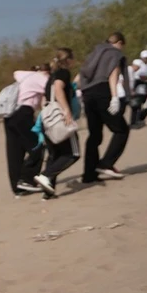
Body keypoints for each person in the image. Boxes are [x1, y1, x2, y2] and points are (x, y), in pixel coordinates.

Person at [78, 32, 130, 182]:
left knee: (94, 135)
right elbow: (113, 74)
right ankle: (106, 163)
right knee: (121, 130)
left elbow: (81, 75)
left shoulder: (94, 53)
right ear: (119, 42)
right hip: (103, 93)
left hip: (88, 95)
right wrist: (114, 97)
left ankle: (89, 174)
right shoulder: (114, 54)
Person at [35, 49, 81, 199]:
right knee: (73, 154)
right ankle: (46, 175)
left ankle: (48, 191)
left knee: (55, 154)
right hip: (59, 118)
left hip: (47, 118)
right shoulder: (63, 73)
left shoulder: (52, 75)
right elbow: (59, 89)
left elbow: (45, 97)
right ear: (68, 60)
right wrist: (66, 111)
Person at [4, 64, 49, 196]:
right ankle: (27, 179)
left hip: (10, 116)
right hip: (23, 114)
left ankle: (17, 186)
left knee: (15, 152)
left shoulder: (23, 77)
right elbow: (53, 90)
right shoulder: (39, 78)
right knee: (38, 146)